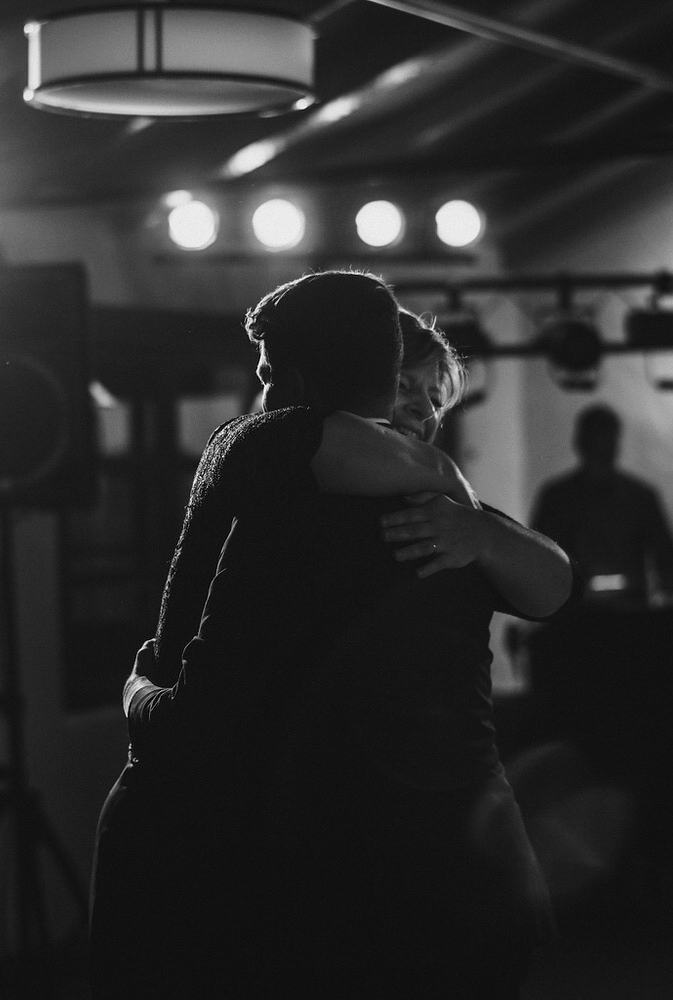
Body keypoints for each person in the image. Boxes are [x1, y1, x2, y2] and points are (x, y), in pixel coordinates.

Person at [90, 275, 574, 998]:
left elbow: (554, 580)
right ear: (373, 381)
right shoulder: (285, 462)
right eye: (407, 387)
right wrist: (451, 487)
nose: (419, 411)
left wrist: (137, 694)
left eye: (435, 401)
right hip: (430, 877)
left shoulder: (448, 525)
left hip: (398, 875)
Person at [530, 403, 673, 606]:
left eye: (604, 438)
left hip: (623, 614)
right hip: (576, 615)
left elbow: (668, 561)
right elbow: (538, 559)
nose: (600, 446)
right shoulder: (556, 498)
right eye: (595, 439)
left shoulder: (640, 497)